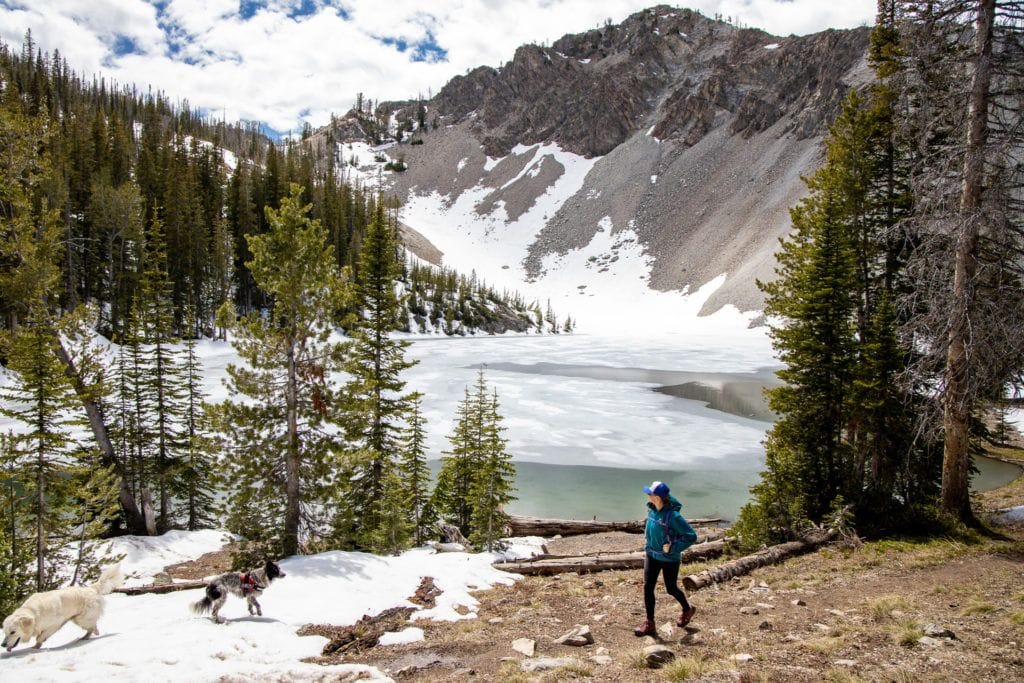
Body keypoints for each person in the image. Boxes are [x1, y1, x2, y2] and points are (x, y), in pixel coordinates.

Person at [634, 480, 698, 637]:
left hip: (669, 559)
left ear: (658, 496)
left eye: (650, 493)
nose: (647, 495)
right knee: (648, 587)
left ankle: (687, 608)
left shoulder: (673, 516)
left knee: (671, 588)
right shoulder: (652, 510)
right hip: (651, 555)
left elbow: (691, 536)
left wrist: (673, 547)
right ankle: (650, 622)